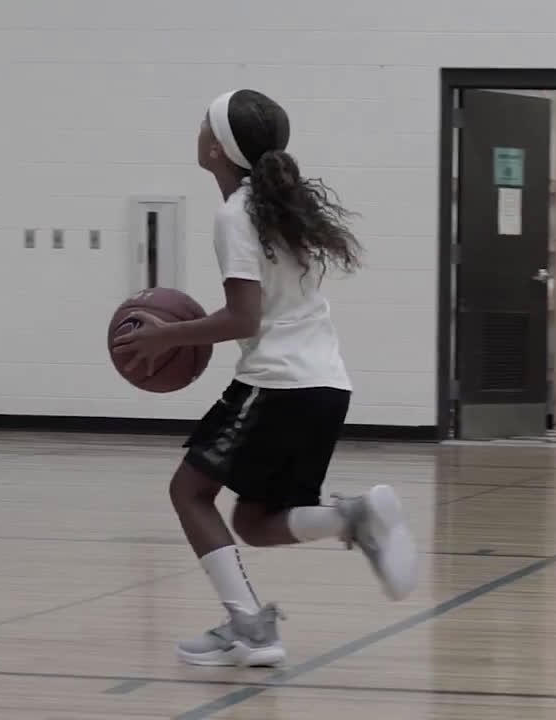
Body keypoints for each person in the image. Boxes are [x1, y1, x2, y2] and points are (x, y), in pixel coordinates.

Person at [112, 89, 416, 668]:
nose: (197, 125)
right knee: (253, 521)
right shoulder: (280, 207)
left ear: (217, 148)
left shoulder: (237, 215)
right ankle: (348, 519)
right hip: (326, 386)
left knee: (189, 492)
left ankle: (249, 627)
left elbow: (244, 319)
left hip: (277, 384)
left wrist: (163, 338)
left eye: (205, 120)